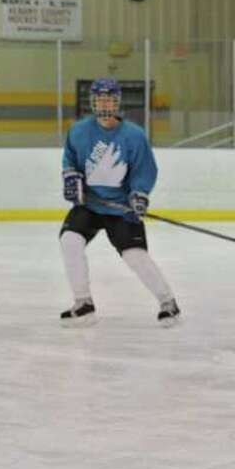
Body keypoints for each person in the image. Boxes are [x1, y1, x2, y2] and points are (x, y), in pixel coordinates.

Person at [59, 78, 181, 327]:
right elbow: (69, 160)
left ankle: (168, 303)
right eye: (100, 98)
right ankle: (84, 304)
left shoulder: (134, 136)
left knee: (135, 256)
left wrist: (139, 194)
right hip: (90, 205)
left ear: (117, 102)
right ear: (92, 102)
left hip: (121, 207)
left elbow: (145, 171)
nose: (104, 103)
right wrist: (71, 176)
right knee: (70, 240)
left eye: (109, 98)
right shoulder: (79, 131)